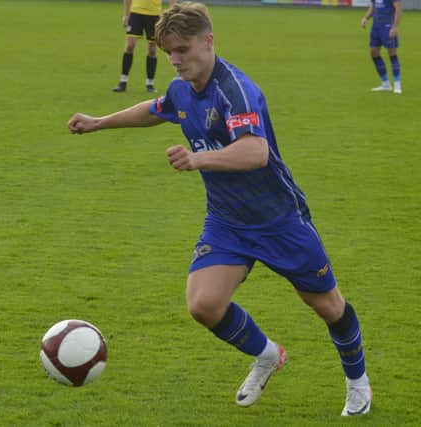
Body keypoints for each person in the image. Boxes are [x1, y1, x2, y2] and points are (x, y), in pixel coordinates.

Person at [69, 2, 372, 416]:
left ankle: (357, 382)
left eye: (183, 49)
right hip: (228, 222)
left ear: (208, 42)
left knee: (328, 307)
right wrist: (100, 122)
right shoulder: (182, 88)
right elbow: (157, 109)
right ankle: (267, 355)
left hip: (279, 219)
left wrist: (198, 160)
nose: (175, 59)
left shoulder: (236, 90)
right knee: (203, 305)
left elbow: (256, 151)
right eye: (169, 51)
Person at [112, 0, 176, 93]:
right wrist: (126, 14)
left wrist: (171, 13)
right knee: (130, 46)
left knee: (152, 50)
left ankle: (150, 83)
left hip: (154, 15)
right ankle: (123, 82)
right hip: (136, 13)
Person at [361, 0, 403, 93]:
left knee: (392, 53)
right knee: (374, 53)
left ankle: (397, 84)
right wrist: (366, 18)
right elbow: (373, 6)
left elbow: (398, 9)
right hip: (376, 26)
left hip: (387, 26)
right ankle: (386, 84)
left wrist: (395, 27)